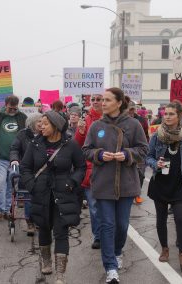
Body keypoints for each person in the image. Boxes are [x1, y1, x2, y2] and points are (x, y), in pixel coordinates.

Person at [82, 88, 148, 283]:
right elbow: (86, 150)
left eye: (108, 100)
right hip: (103, 183)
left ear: (119, 103)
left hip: (126, 183)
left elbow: (144, 149)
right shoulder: (96, 126)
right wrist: (99, 155)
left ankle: (118, 251)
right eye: (102, 100)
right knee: (107, 225)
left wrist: (127, 155)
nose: (103, 103)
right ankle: (110, 267)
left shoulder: (133, 124)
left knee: (122, 225)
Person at [20, 111, 85, 284]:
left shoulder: (70, 145)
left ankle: (60, 274)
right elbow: (25, 167)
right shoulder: (34, 144)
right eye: (40, 123)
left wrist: (72, 183)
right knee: (43, 227)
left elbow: (81, 167)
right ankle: (46, 261)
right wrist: (31, 185)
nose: (41, 126)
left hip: (63, 193)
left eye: (45, 123)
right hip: (40, 192)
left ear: (56, 126)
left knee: (61, 231)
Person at [146, 101, 182, 270]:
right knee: (160, 219)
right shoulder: (156, 135)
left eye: (171, 114)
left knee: (181, 219)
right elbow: (148, 157)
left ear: (179, 116)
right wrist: (156, 164)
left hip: (180, 184)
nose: (167, 117)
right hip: (160, 183)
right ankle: (165, 249)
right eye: (165, 114)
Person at [0, 95, 27, 222]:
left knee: (10, 185)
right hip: (0, 158)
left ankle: (7, 210)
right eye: (11, 108)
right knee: (0, 184)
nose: (13, 111)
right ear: (5, 105)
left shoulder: (22, 117)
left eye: (15, 109)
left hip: (16, 159)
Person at [75, 93, 103, 250]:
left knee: (108, 206)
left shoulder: (112, 118)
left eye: (99, 99)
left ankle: (108, 234)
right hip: (91, 168)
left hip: (110, 167)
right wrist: (80, 131)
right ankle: (98, 236)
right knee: (93, 206)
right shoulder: (85, 120)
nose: (96, 102)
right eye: (93, 99)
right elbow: (78, 145)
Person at [9, 112, 42, 236]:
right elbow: (14, 149)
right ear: (32, 123)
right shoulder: (22, 134)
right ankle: (30, 222)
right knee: (29, 196)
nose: (41, 124)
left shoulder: (46, 134)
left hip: (42, 170)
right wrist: (14, 160)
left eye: (42, 122)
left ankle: (39, 220)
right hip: (26, 170)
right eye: (39, 121)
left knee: (40, 197)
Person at [128, 101, 149, 205]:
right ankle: (130, 193)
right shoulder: (122, 121)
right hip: (127, 151)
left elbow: (146, 134)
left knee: (141, 174)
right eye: (129, 109)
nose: (131, 111)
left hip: (139, 151)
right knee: (129, 173)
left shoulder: (141, 120)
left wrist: (146, 147)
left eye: (132, 109)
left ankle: (137, 193)